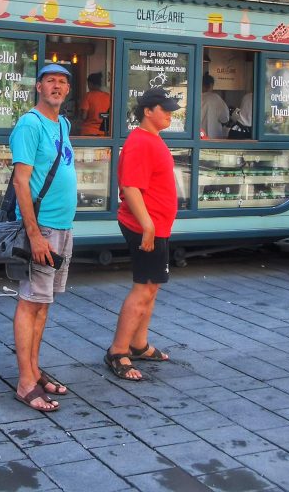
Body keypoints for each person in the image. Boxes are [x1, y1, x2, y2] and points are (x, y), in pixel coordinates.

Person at [9, 63, 77, 412]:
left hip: (62, 228)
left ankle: (34, 370)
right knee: (30, 303)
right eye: (50, 80)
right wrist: (34, 234)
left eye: (62, 82)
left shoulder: (62, 124)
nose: (56, 86)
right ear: (39, 87)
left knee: (44, 304)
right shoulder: (29, 124)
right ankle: (25, 383)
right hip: (43, 229)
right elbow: (22, 181)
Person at [105, 87, 180, 381]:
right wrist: (147, 225)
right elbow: (130, 187)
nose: (170, 114)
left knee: (152, 286)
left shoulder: (152, 139)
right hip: (146, 227)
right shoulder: (140, 142)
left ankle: (138, 344)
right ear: (148, 111)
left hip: (157, 225)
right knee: (144, 287)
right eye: (165, 109)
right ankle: (118, 351)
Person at [201, 73, 230, 139]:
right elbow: (225, 118)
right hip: (214, 138)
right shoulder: (216, 98)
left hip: (199, 137)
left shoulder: (195, 98)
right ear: (211, 85)